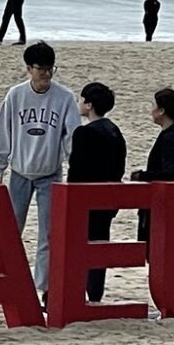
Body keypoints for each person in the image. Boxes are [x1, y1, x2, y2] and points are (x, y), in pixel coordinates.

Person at [0, 41, 81, 307]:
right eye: (41, 69)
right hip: (19, 171)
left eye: (50, 69)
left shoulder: (64, 97)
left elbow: (71, 136)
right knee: (11, 231)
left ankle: (44, 288)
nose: (46, 74)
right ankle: (7, 282)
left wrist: (73, 165)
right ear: (29, 68)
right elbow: (2, 133)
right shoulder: (15, 95)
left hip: (50, 174)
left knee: (49, 235)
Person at [67, 82, 127, 303]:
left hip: (86, 199)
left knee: (80, 247)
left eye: (81, 100)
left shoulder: (84, 133)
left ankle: (80, 292)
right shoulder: (114, 131)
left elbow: (77, 169)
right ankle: (95, 293)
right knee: (100, 244)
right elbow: (119, 167)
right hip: (108, 197)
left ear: (89, 104)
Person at [131, 87, 174, 257]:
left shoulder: (171, 139)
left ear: (162, 110)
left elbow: (172, 174)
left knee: (164, 258)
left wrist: (142, 176)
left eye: (153, 105)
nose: (151, 110)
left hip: (168, 213)